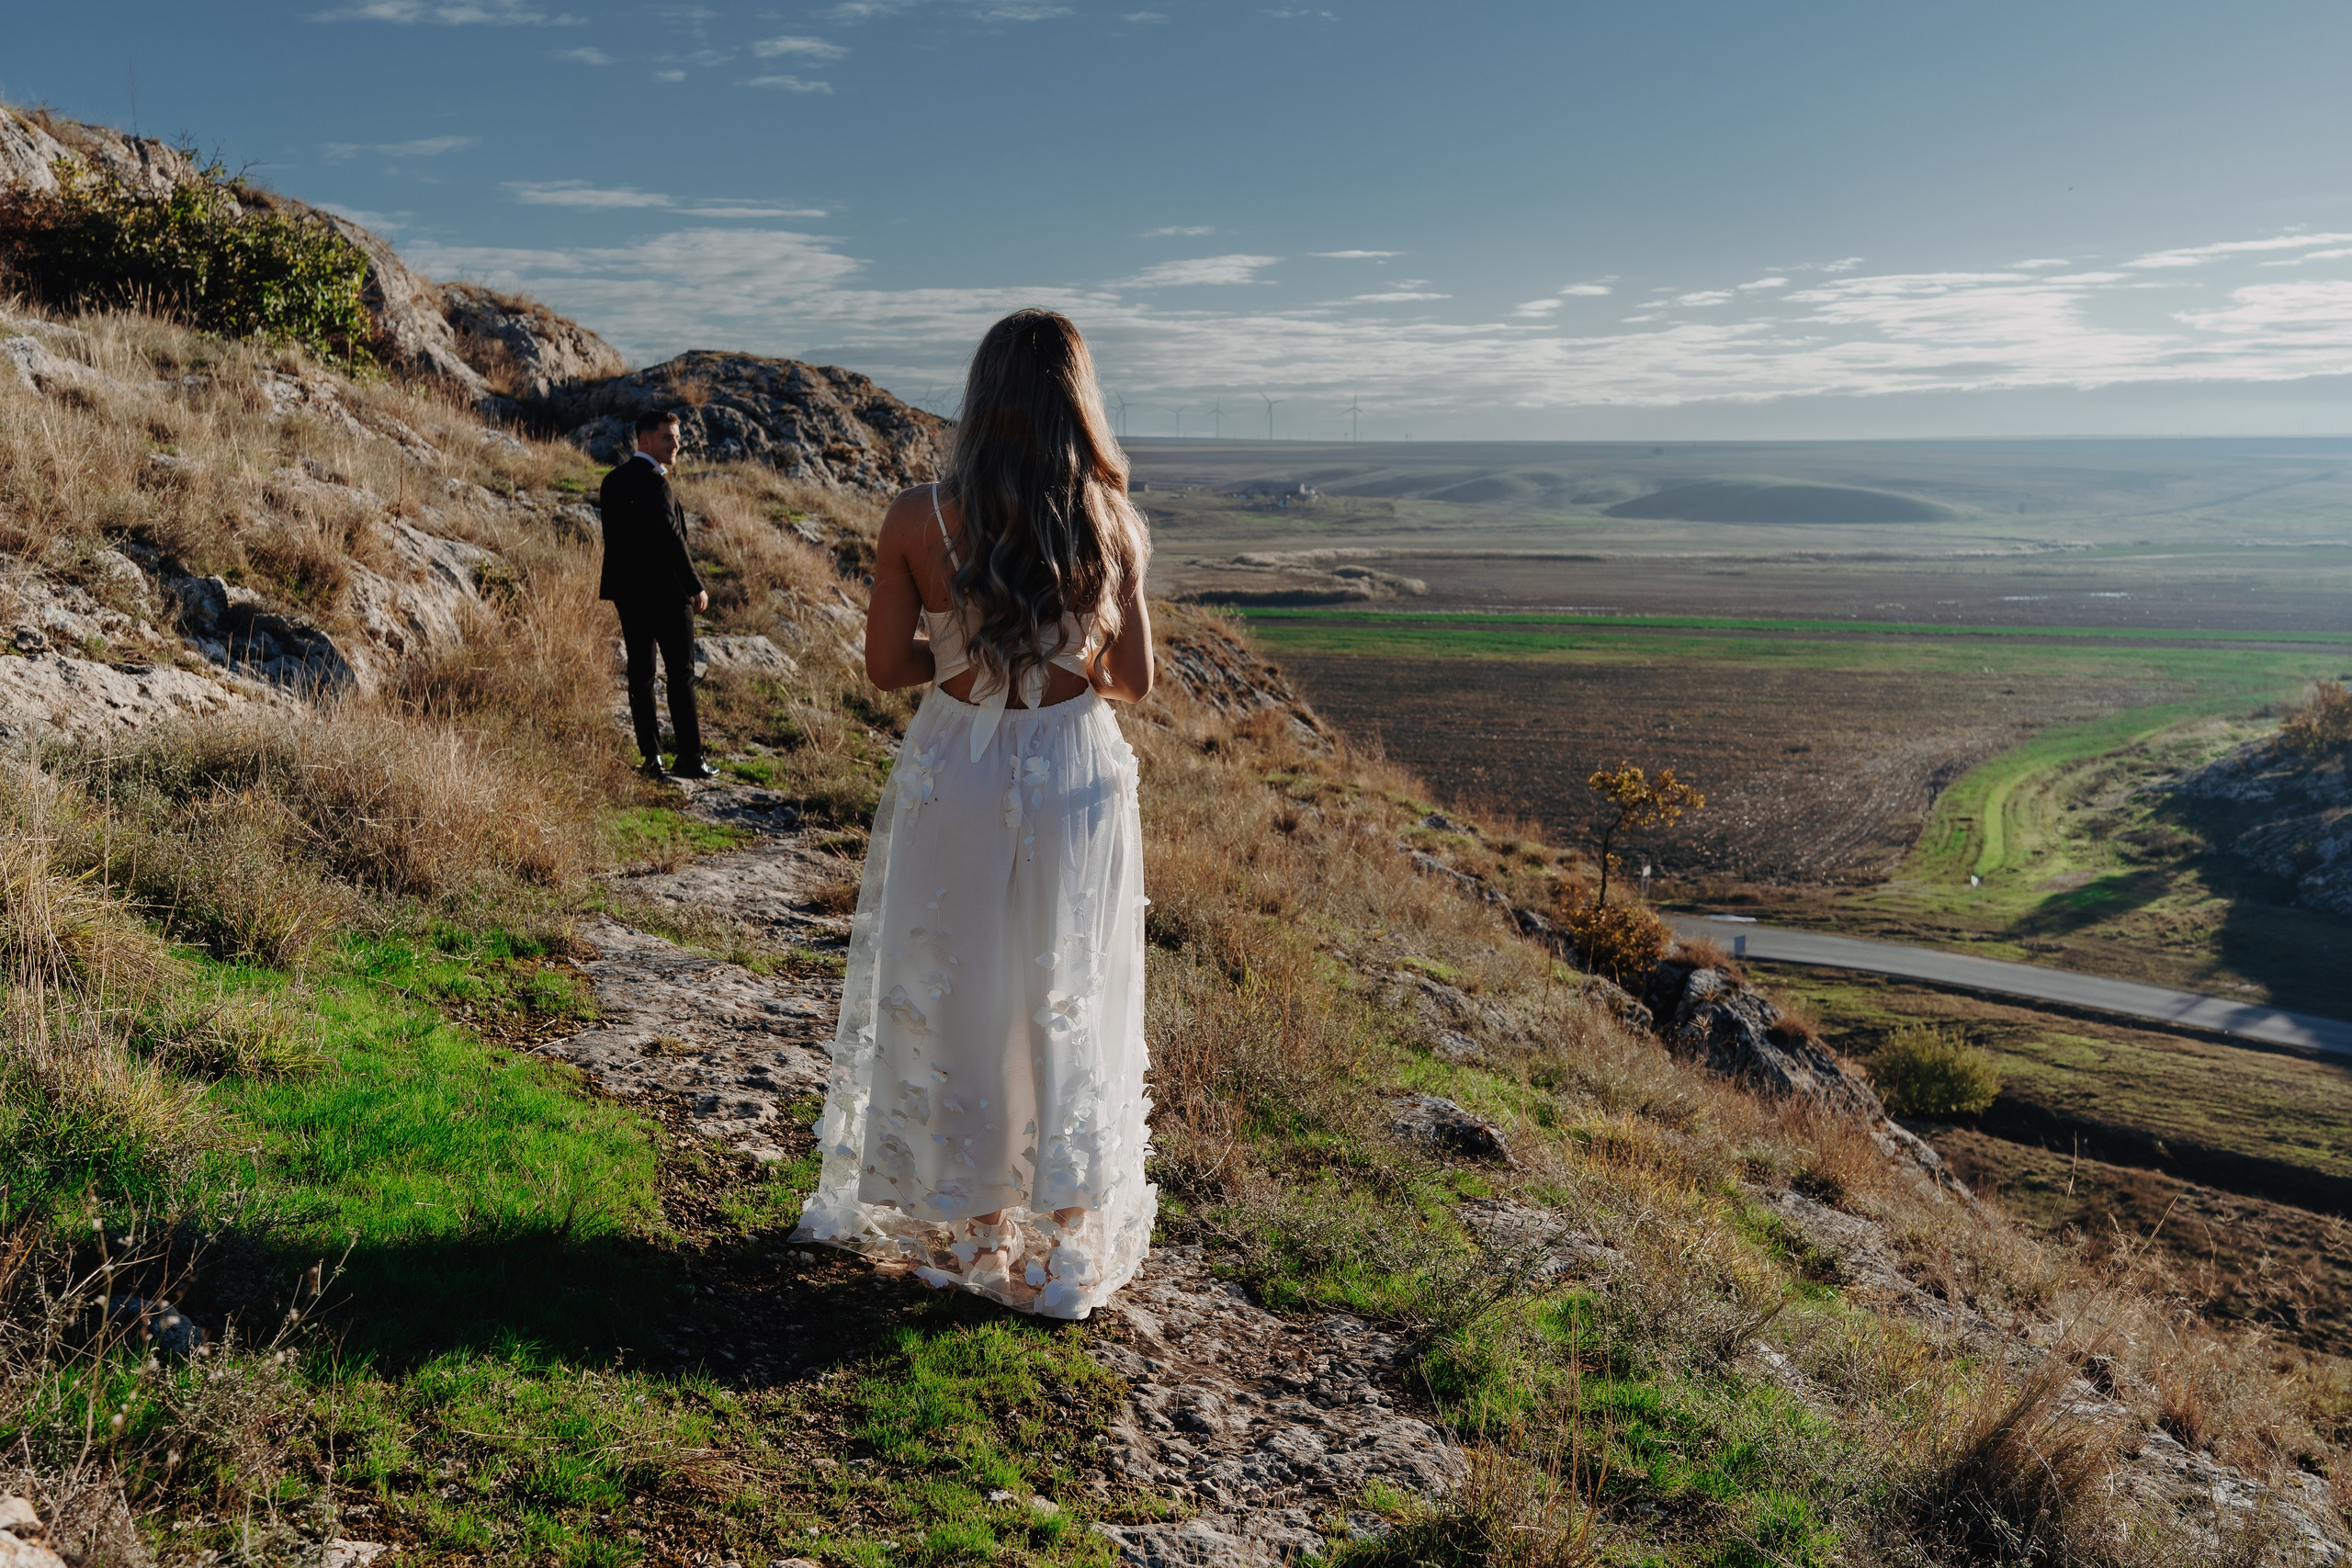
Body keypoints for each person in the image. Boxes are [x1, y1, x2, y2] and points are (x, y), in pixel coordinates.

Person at [793, 310, 1157, 1319]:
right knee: (1072, 983)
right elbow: (1135, 678)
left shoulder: (920, 516)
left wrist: (963, 661)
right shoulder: (1113, 521)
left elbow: (883, 667)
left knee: (963, 982)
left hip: (958, 760)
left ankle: (978, 1237)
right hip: (1077, 774)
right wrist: (1062, 663)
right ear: (1077, 402)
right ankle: (1067, 1251)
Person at [598, 409, 715, 780]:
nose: (676, 443)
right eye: (668, 437)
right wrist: (695, 585)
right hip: (667, 595)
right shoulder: (656, 483)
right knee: (681, 676)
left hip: (630, 595)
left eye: (677, 437)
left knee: (641, 675)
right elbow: (671, 540)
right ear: (645, 440)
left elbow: (614, 542)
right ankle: (691, 759)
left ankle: (652, 759)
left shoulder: (612, 481)